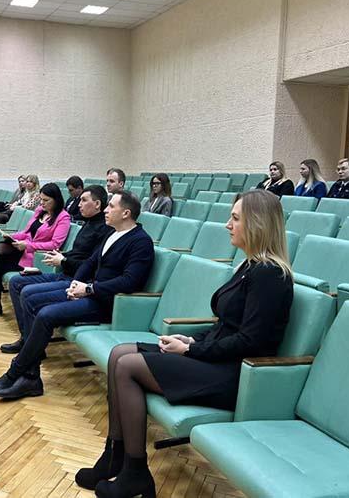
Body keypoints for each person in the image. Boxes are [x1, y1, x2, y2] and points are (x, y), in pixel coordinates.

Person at [74, 189, 294, 497]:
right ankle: (114, 455)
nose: (227, 225)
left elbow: (250, 341)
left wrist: (191, 349)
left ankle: (135, 471)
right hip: (216, 358)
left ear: (257, 224)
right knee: (119, 353)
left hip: (234, 374)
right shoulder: (251, 266)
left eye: (235, 218)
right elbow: (226, 326)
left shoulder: (270, 275)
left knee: (127, 366)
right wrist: (191, 338)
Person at [0, 191, 155, 400]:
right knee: (31, 299)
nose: (106, 210)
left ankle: (16, 373)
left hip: (109, 303)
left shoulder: (141, 242)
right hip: (90, 293)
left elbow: (129, 281)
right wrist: (75, 284)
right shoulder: (114, 233)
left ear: (126, 213)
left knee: (46, 314)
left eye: (111, 206)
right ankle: (30, 376)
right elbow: (90, 263)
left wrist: (89, 289)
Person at [0, 185, 111, 354]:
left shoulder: (104, 230)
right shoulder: (88, 223)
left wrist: (64, 260)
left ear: (97, 204)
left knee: (28, 293)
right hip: (66, 273)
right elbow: (79, 254)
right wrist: (62, 256)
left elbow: (91, 265)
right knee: (16, 282)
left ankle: (31, 346)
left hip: (77, 281)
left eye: (83, 200)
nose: (79, 204)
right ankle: (27, 339)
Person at [0, 183, 71, 318]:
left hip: (36, 257)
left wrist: (28, 245)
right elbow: (26, 232)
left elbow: (55, 244)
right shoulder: (40, 211)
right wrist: (11, 236)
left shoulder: (63, 217)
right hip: (23, 250)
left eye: (46, 200)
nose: (42, 203)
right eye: (41, 199)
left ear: (56, 200)